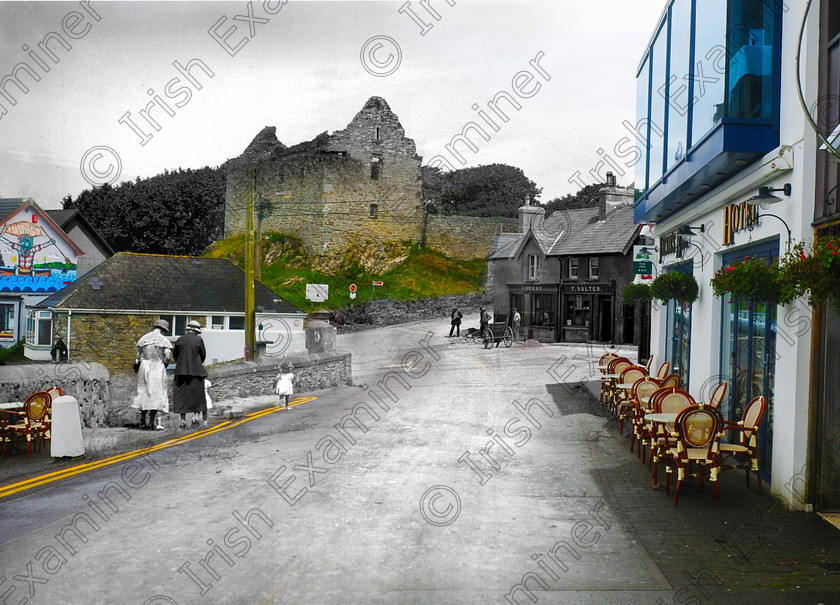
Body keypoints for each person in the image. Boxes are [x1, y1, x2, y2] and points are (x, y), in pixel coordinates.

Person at [131, 319, 172, 430]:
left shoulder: (144, 338)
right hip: (157, 366)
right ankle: (152, 421)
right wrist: (165, 363)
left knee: (144, 392)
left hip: (144, 366)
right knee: (156, 393)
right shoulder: (163, 340)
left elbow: (137, 357)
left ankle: (142, 419)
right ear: (164, 329)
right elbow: (168, 356)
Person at [173, 320, 208, 429]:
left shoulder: (180, 339)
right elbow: (203, 355)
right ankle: (195, 416)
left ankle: (182, 420)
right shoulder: (198, 339)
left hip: (181, 371)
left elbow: (175, 356)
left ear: (188, 330)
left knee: (181, 396)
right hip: (196, 372)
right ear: (196, 331)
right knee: (197, 395)